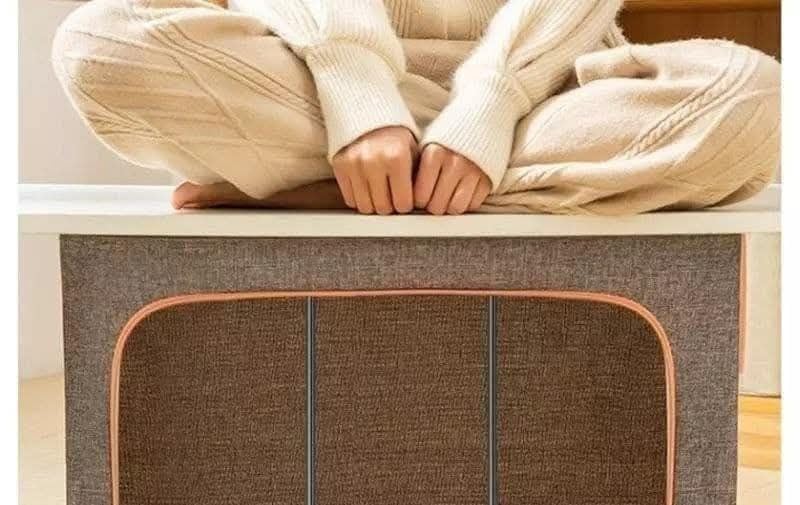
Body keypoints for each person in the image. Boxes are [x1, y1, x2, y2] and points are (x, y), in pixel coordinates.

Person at [51, 0, 780, 215]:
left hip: (541, 101)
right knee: (99, 44)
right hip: (314, 85)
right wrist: (356, 90)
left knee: (752, 94)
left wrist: (490, 103)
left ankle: (333, 190)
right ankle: (424, 182)